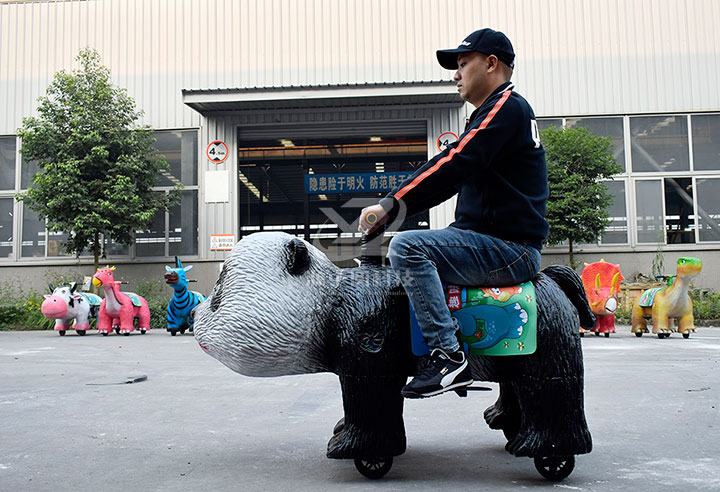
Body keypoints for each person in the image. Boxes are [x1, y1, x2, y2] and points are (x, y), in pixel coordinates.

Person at [358, 28, 549, 399]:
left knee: (409, 248)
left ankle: (447, 357)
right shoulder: (492, 114)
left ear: (491, 64)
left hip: (508, 248)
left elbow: (452, 164)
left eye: (463, 64)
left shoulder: (505, 107)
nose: (455, 74)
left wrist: (388, 206)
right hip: (494, 241)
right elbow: (449, 167)